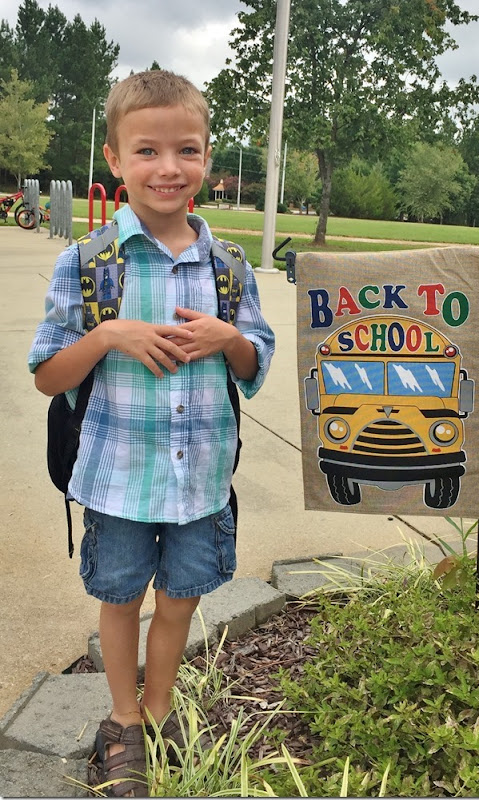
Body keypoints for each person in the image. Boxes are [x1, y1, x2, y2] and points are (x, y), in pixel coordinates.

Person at [28, 70, 275, 797]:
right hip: (118, 479)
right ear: (114, 158)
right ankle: (123, 720)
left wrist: (230, 338)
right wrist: (108, 335)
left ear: (206, 157)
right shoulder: (87, 264)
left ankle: (160, 710)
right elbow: (47, 374)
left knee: (178, 601)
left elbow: (254, 364)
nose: (168, 167)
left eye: (186, 150)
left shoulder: (229, 267)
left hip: (200, 480)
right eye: (147, 151)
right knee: (120, 600)